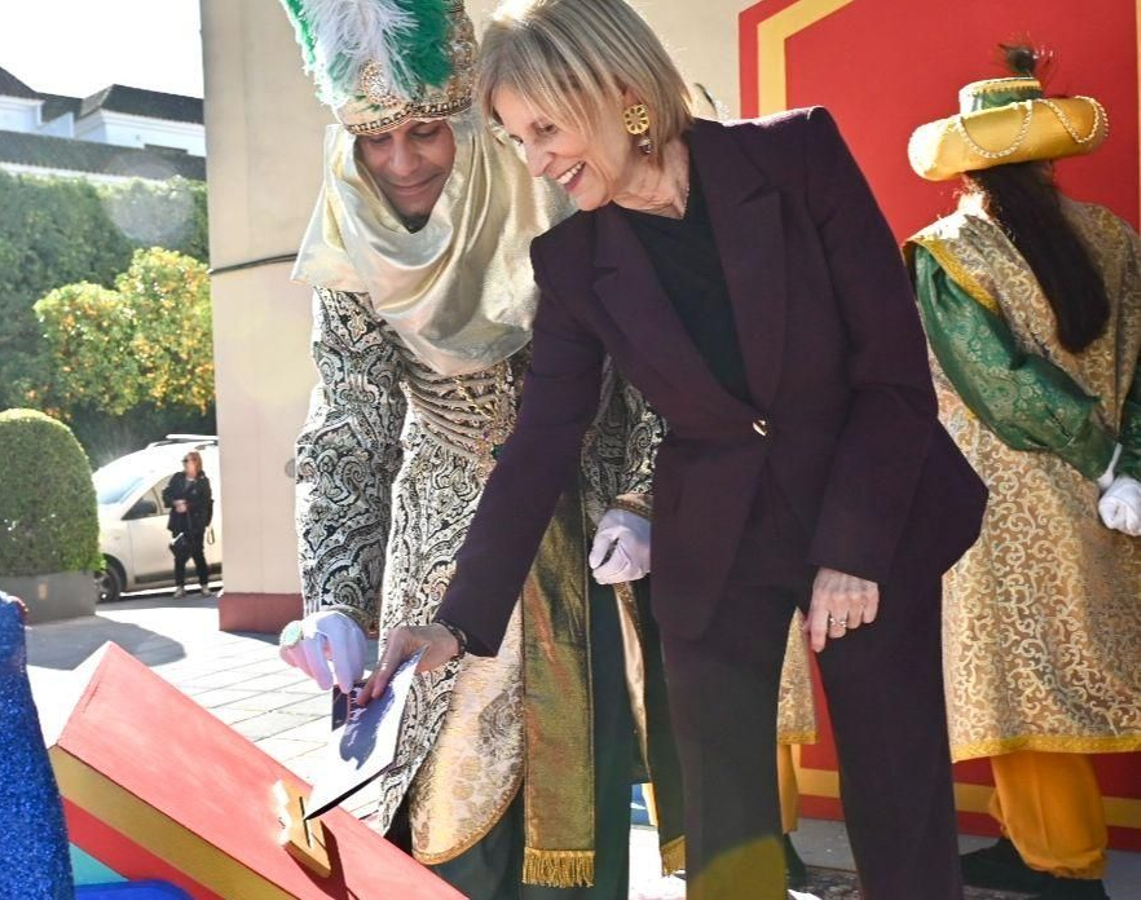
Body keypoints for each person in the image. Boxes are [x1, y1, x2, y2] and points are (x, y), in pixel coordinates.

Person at [364, 1, 990, 898]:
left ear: (618, 91)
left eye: (545, 127)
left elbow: (891, 375)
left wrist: (850, 556)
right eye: (514, 140)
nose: (537, 159)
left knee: (897, 785)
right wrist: (457, 620)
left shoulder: (798, 156)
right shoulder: (572, 261)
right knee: (723, 811)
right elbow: (542, 440)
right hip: (716, 542)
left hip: (870, 507)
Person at [271, 1, 698, 894]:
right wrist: (336, 599)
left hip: (600, 537)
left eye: (426, 131)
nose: (401, 163)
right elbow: (350, 428)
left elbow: (667, 360)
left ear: (467, 117)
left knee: (589, 781)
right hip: (444, 551)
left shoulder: (560, 191)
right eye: (373, 141)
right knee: (440, 797)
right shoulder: (348, 240)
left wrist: (645, 494)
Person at [905, 45, 1139, 900]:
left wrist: (1100, 452)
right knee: (1066, 665)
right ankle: (1026, 841)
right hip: (1112, 497)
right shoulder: (1115, 234)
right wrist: (1127, 463)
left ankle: (1065, 865)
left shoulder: (950, 246)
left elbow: (995, 382)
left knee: (1021, 672)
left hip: (999, 497)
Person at [163, 450, 214, 597]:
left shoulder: (203, 481)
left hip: (195, 524)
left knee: (198, 553)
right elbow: (166, 494)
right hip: (179, 522)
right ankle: (180, 586)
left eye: (187, 461)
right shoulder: (177, 478)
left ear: (195, 463)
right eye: (183, 461)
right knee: (179, 554)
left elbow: (205, 501)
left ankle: (204, 586)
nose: (184, 464)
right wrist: (175, 502)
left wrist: (188, 505)